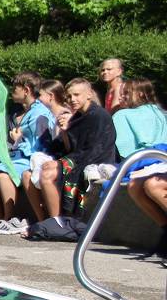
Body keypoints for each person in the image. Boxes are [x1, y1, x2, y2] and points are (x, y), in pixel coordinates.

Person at [27, 78, 117, 221]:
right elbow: (70, 148)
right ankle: (45, 220)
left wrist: (61, 163)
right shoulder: (78, 117)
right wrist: (64, 132)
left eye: (77, 95)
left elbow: (94, 149)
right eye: (69, 96)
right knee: (34, 172)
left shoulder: (98, 116)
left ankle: (57, 221)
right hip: (79, 157)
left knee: (47, 175)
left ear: (89, 94)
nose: (72, 99)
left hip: (96, 160)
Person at [0, 72, 54, 235]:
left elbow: (41, 144)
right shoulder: (28, 111)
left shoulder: (39, 113)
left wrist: (17, 140)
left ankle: (9, 219)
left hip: (31, 158)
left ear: (26, 90)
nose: (12, 91)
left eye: (15, 88)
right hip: (19, 157)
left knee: (2, 173)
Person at [116, 79, 167, 258]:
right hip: (155, 160)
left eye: (126, 93)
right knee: (134, 186)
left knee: (153, 185)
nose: (122, 97)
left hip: (160, 157)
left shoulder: (151, 113)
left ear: (139, 94)